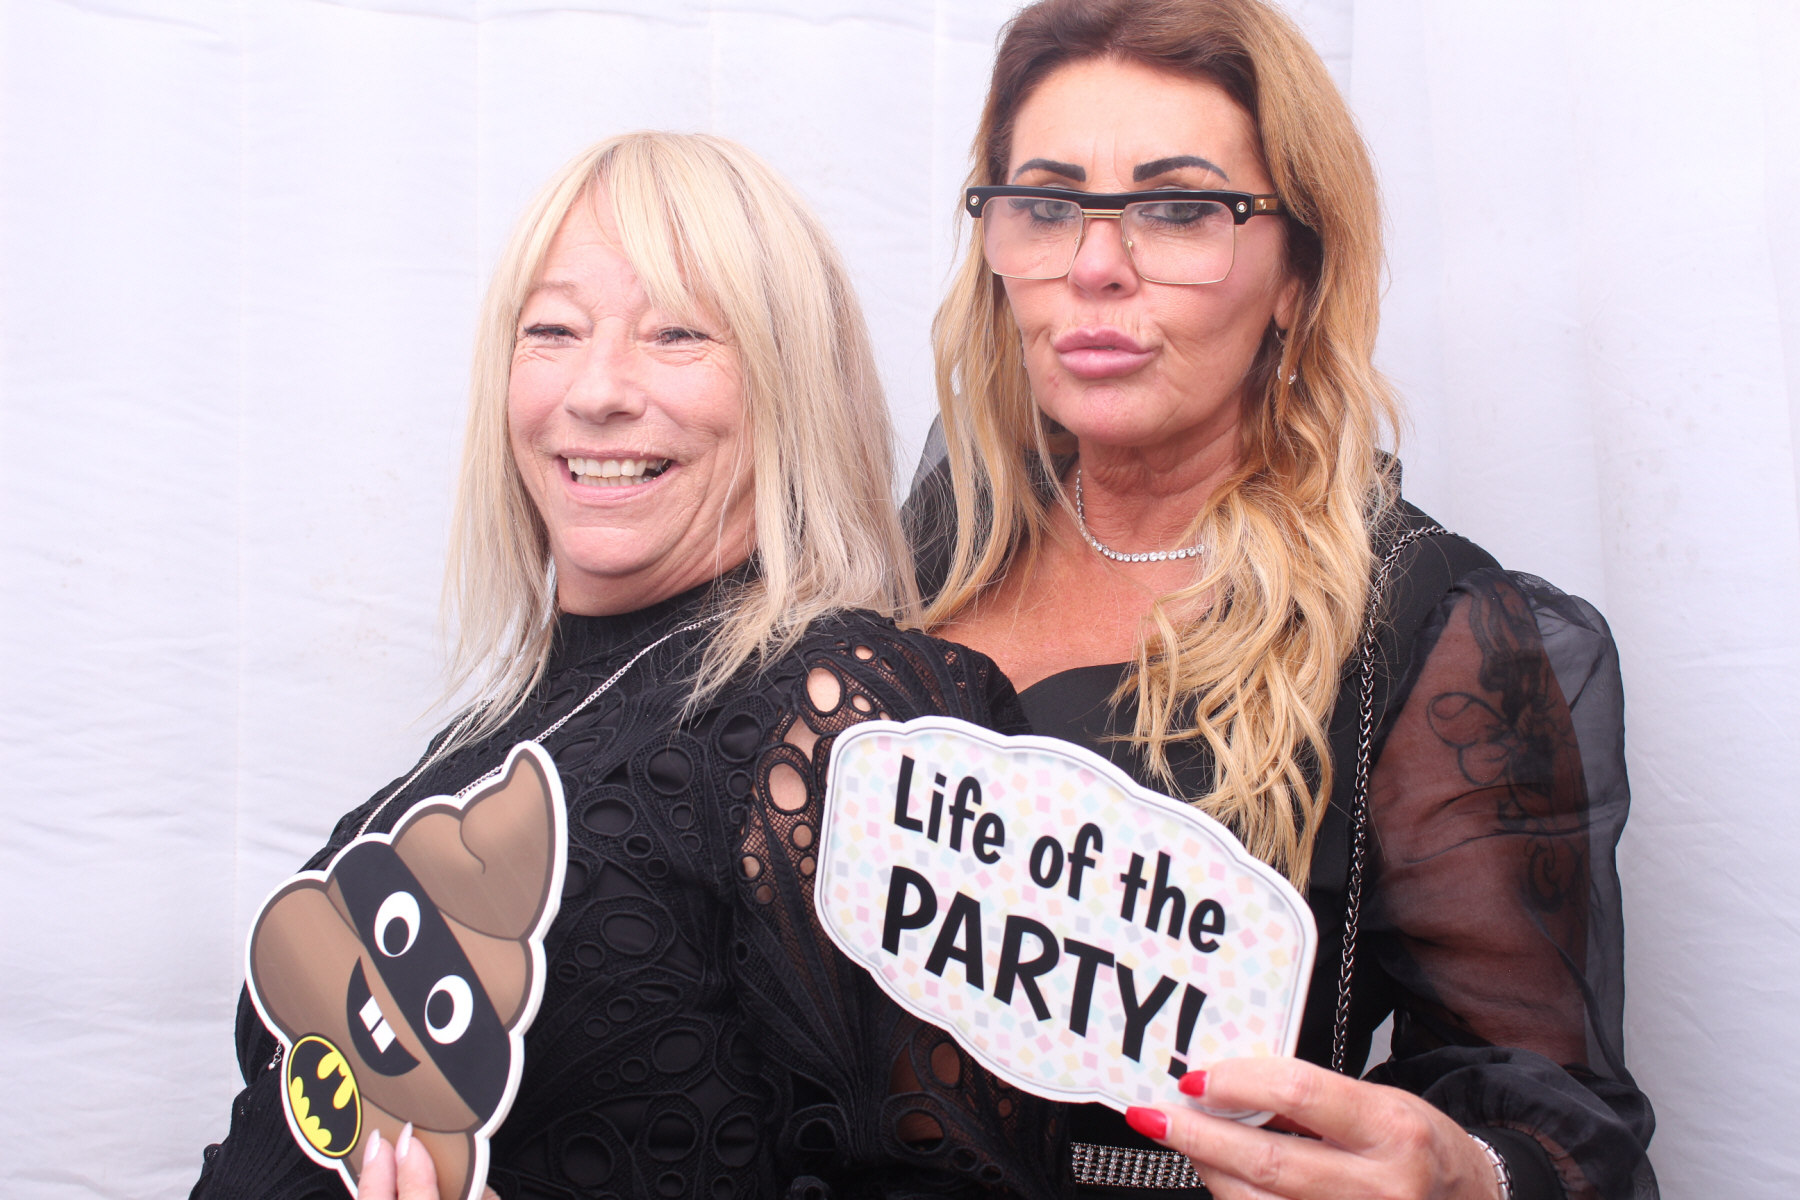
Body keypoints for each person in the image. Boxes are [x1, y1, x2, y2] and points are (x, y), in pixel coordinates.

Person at [189, 131, 1065, 1200]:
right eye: (552, 329)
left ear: (790, 383)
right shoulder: (504, 725)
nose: (597, 389)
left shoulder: (845, 717)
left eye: (677, 332)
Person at [906, 2, 1657, 1198]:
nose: (1095, 266)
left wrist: (1471, 1175)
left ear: (1298, 274)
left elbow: (1560, 1119)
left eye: (1179, 209)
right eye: (1046, 205)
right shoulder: (937, 543)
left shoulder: (1424, 626)